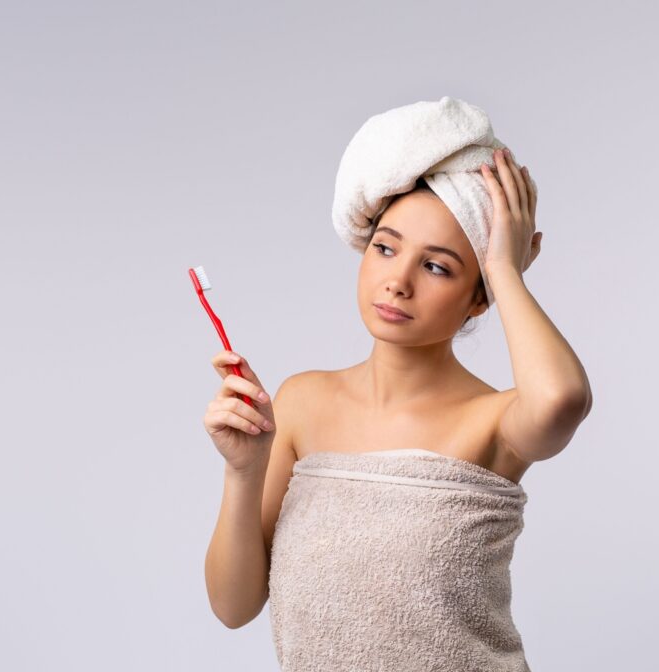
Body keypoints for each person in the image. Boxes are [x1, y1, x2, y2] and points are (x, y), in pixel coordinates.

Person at [203, 145, 592, 670]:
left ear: (479, 297)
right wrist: (243, 472)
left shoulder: (494, 423)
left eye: (436, 266)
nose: (398, 282)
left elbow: (562, 399)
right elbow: (233, 607)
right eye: (385, 249)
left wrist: (504, 268)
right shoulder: (301, 401)